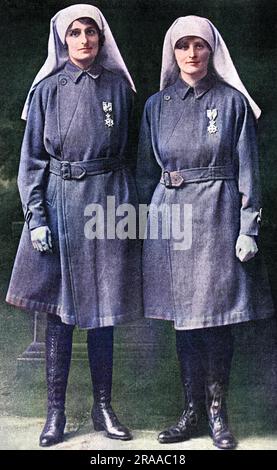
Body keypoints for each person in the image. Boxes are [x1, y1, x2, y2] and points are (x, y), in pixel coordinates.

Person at [6, 4, 142, 447]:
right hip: (62, 206)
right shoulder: (46, 91)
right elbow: (31, 164)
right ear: (63, 40)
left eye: (92, 32)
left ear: (102, 39)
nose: (84, 40)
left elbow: (133, 159)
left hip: (106, 205)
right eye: (75, 33)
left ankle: (103, 407)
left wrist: (130, 212)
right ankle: (56, 413)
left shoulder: (120, 89)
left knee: (104, 314)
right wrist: (37, 218)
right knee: (59, 318)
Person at [136, 15, 274, 449]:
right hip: (170, 222)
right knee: (185, 323)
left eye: (199, 46)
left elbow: (249, 168)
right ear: (172, 53)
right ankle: (191, 412)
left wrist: (248, 227)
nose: (191, 54)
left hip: (217, 215)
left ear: (211, 51)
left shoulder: (232, 102)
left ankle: (218, 414)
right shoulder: (156, 106)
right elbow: (144, 173)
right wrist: (143, 225)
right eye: (182, 47)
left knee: (215, 321)